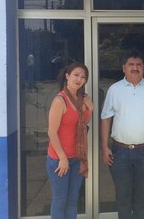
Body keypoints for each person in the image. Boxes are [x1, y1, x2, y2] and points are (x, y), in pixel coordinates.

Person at [100, 49, 144, 219]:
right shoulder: (114, 90)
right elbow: (106, 119)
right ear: (124, 68)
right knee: (123, 197)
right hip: (120, 152)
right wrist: (104, 147)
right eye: (131, 64)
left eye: (138, 64)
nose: (135, 67)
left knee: (142, 197)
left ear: (143, 67)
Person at [46, 62, 94, 219]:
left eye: (83, 77)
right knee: (60, 200)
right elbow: (52, 132)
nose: (79, 79)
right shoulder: (60, 100)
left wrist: (90, 108)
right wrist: (62, 157)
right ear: (67, 76)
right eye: (76, 75)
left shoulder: (83, 99)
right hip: (60, 159)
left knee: (73, 201)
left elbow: (84, 123)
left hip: (77, 158)